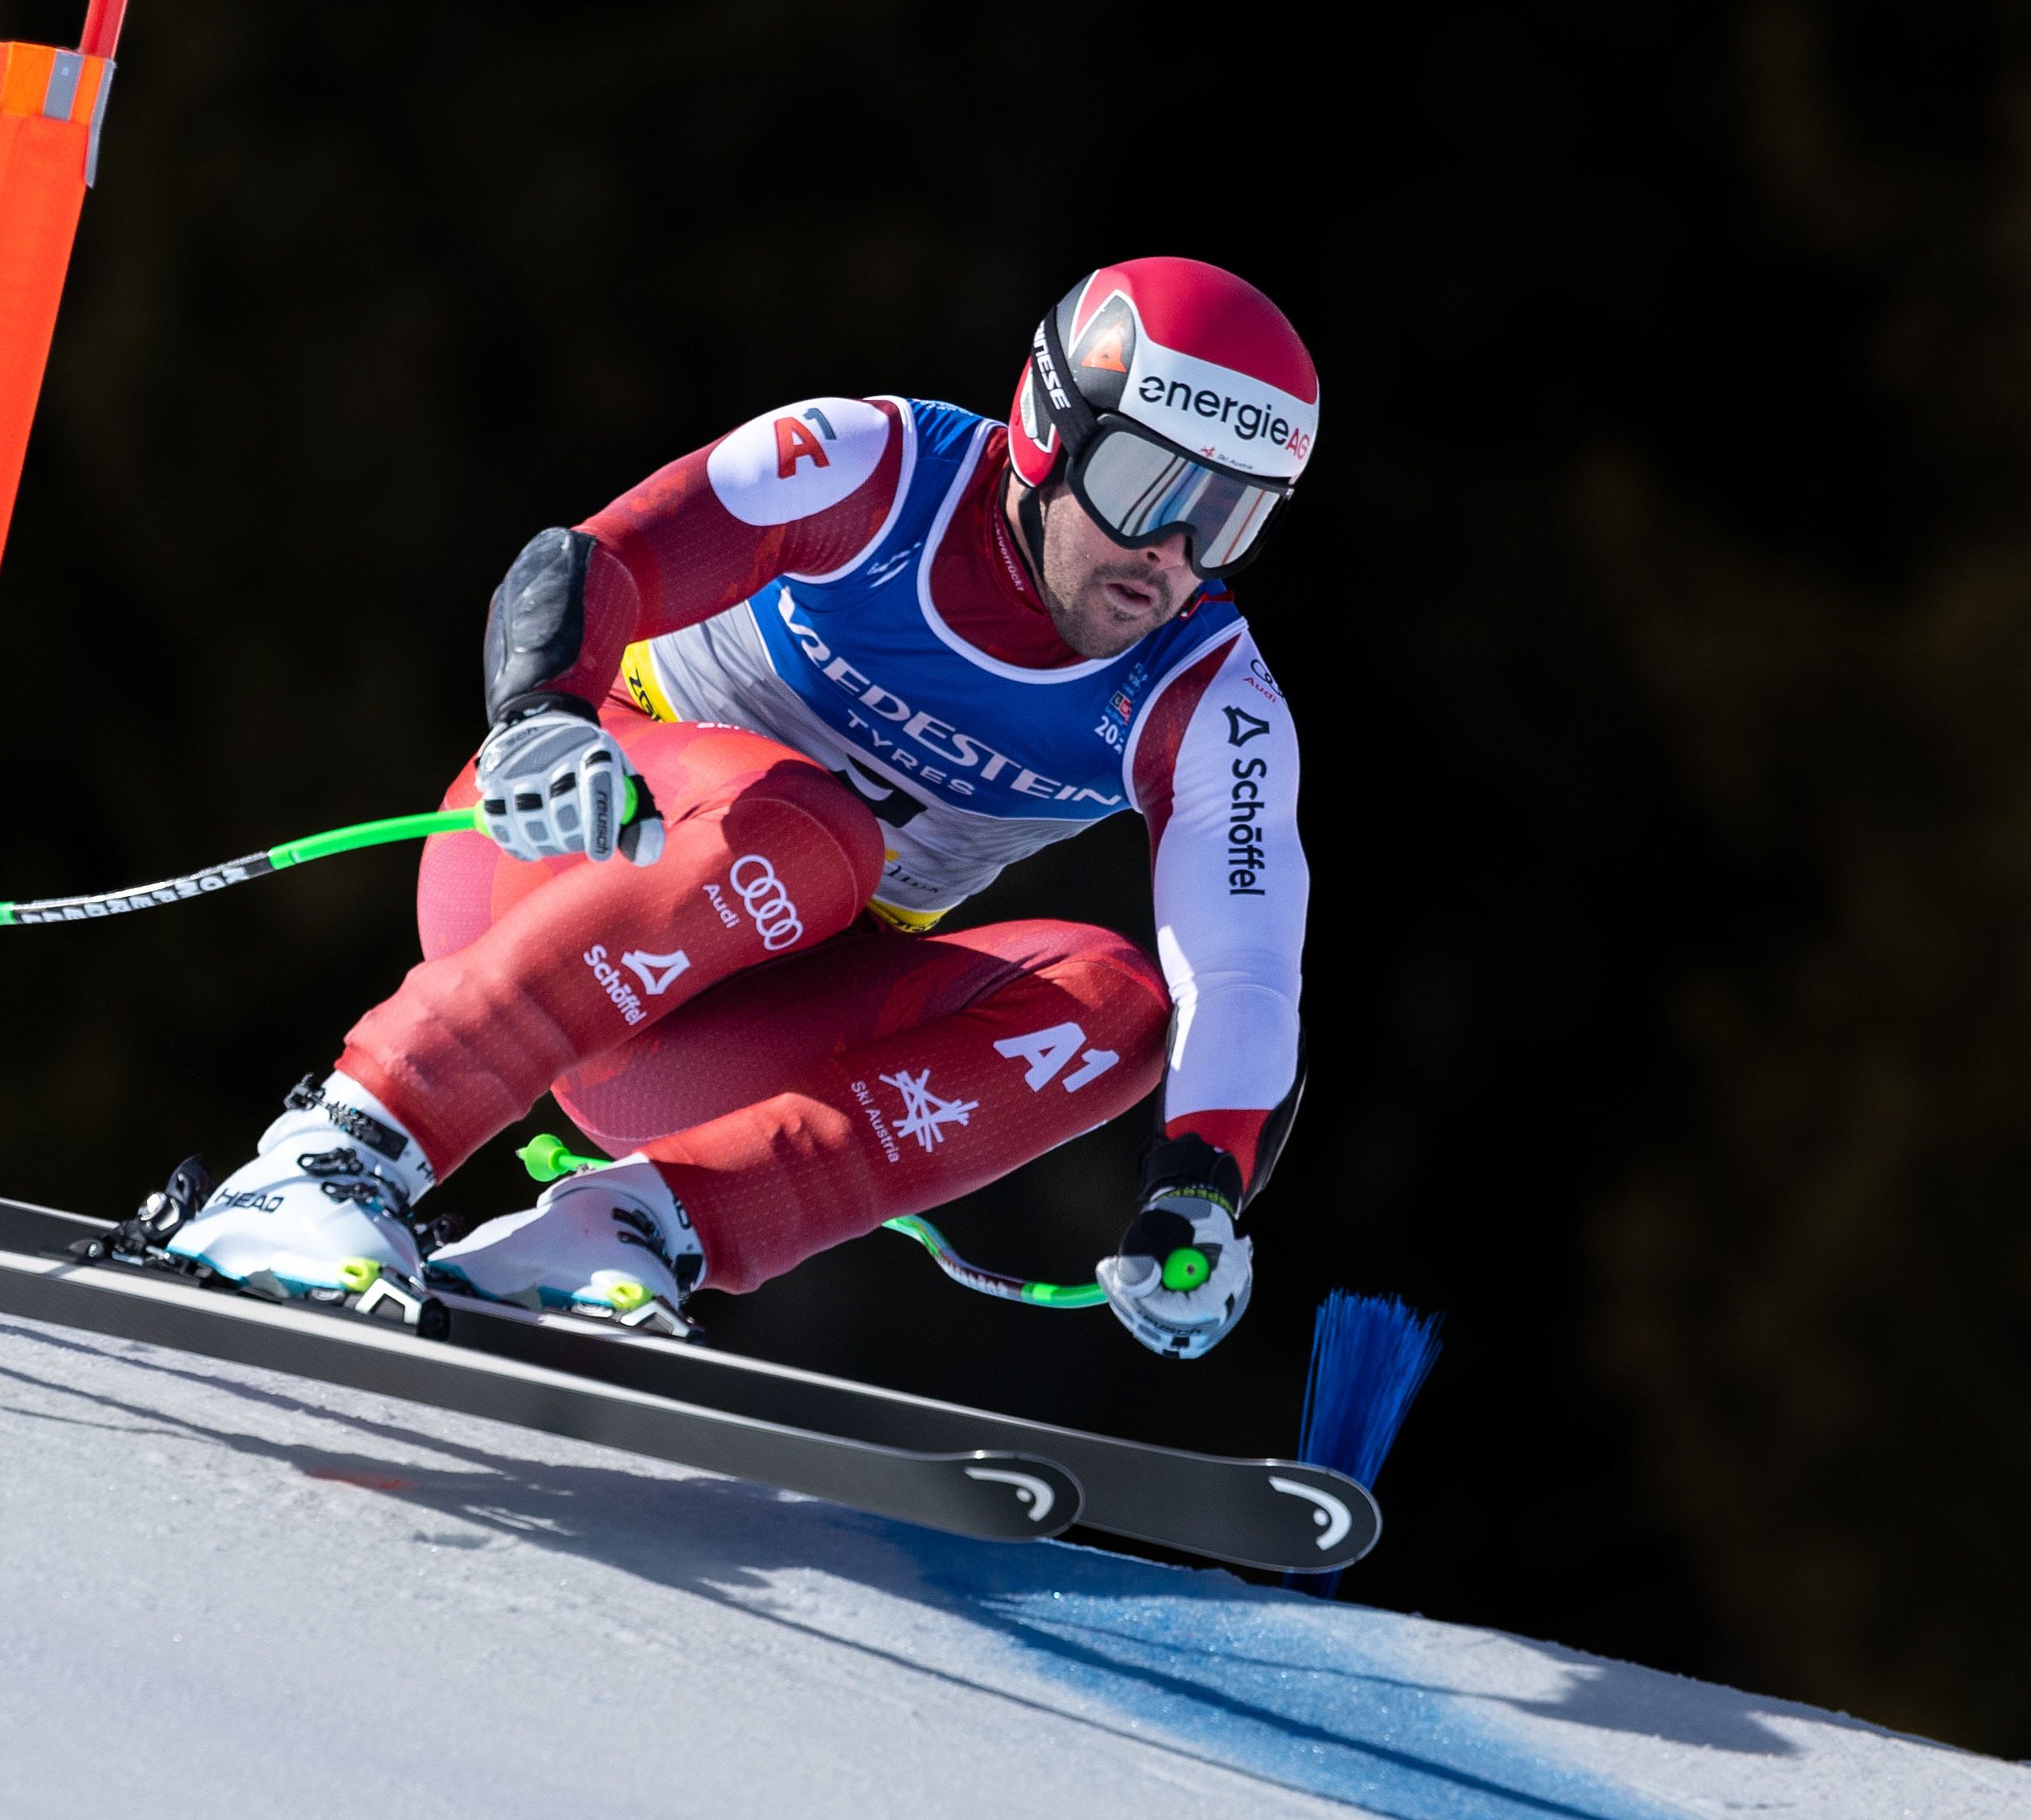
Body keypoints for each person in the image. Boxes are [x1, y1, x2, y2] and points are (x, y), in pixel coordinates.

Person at [157, 256, 1315, 1360]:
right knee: (815, 833)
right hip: (560, 871)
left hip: (726, 1029)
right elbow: (598, 557)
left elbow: (1245, 973)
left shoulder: (1209, 696)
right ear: (1044, 430)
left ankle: (630, 1225)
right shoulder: (878, 467)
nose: (1170, 555)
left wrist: (1198, 1191)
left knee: (1117, 1007)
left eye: (1228, 518)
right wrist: (538, 713)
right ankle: (336, 1153)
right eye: (1147, 487)